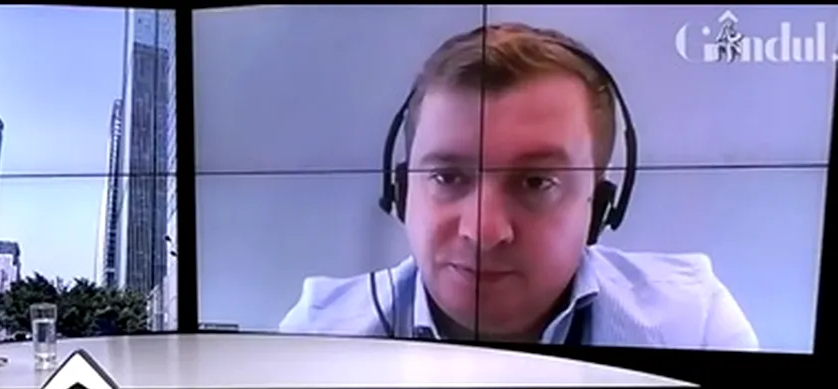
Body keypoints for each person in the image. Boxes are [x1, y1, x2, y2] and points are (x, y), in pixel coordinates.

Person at [280, 24, 759, 351]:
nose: (483, 233)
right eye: (447, 177)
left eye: (536, 182)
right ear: (403, 192)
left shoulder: (693, 324)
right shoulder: (317, 337)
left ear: (598, 207)